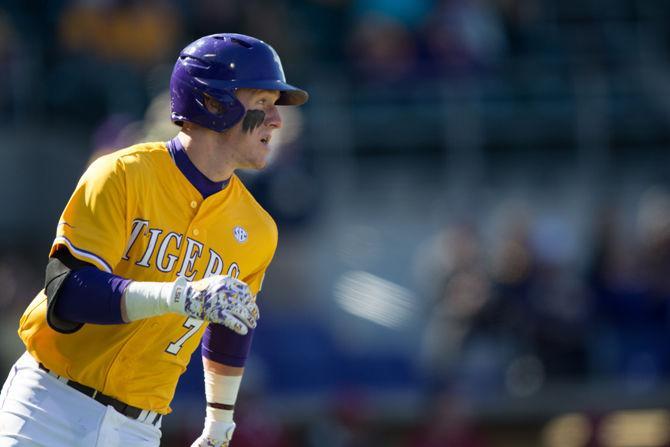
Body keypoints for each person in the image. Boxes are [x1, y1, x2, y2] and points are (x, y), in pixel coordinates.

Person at [0, 33, 308, 447]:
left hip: (139, 429)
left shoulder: (258, 227)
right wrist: (179, 296)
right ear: (213, 104)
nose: (276, 120)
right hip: (49, 404)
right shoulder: (122, 173)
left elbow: (232, 323)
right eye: (262, 104)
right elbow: (69, 291)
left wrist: (219, 423)